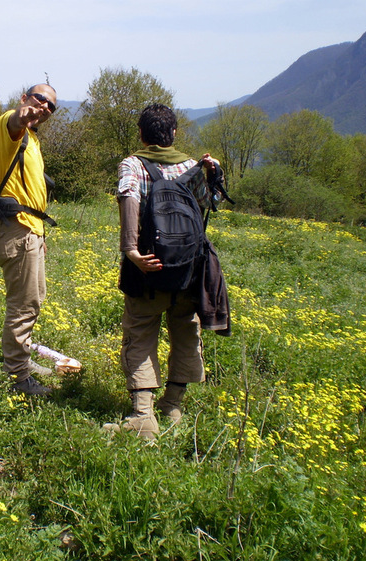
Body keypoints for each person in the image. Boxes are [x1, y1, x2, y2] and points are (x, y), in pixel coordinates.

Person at [106, 103, 219, 439]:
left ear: (142, 134)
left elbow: (129, 196)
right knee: (185, 329)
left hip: (148, 266)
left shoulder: (133, 164)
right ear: (173, 134)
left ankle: (143, 416)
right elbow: (207, 205)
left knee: (141, 332)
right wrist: (212, 175)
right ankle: (173, 405)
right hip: (187, 269)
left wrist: (131, 250)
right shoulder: (190, 165)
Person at [0, 84, 58, 396]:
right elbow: (14, 123)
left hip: (30, 230)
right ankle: (18, 378)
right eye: (40, 99)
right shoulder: (8, 126)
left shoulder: (32, 139)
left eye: (51, 106)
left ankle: (22, 361)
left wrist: (39, 234)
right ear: (25, 98)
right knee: (23, 305)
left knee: (34, 298)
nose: (45, 107)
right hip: (16, 229)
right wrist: (20, 116)